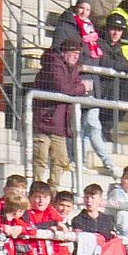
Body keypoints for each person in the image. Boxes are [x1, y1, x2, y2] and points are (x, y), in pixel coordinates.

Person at [30, 38, 85, 186]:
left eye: (78, 53)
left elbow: (72, 87)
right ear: (64, 52)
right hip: (45, 121)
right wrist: (83, 88)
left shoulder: (72, 68)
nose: (76, 56)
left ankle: (53, 193)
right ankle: (37, 191)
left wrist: (77, 88)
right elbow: (65, 88)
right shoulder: (53, 64)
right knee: (40, 159)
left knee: (60, 160)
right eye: (73, 53)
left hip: (60, 124)